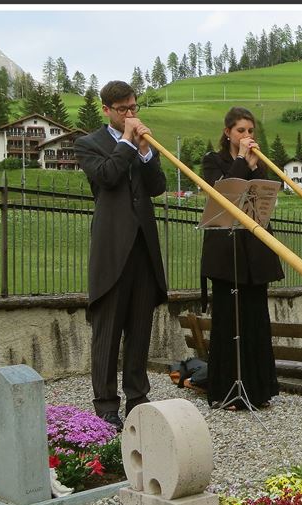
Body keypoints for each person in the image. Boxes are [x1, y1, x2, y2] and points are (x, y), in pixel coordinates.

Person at [74, 81, 168, 431]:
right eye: (123, 109)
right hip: (112, 248)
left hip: (143, 246)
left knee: (140, 328)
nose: (131, 114)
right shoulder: (88, 144)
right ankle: (105, 405)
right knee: (108, 330)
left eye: (134, 107)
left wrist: (145, 151)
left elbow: (156, 186)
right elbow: (107, 177)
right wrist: (128, 142)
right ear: (107, 110)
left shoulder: (142, 145)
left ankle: (138, 398)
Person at [200, 106, 285, 410]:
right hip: (226, 251)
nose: (247, 136)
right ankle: (225, 390)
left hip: (254, 252)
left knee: (255, 319)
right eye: (241, 131)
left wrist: (255, 165)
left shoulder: (256, 161)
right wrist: (240, 162)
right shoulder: (213, 161)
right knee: (228, 320)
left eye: (251, 131)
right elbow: (222, 194)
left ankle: (260, 389)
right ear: (228, 133)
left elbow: (266, 195)